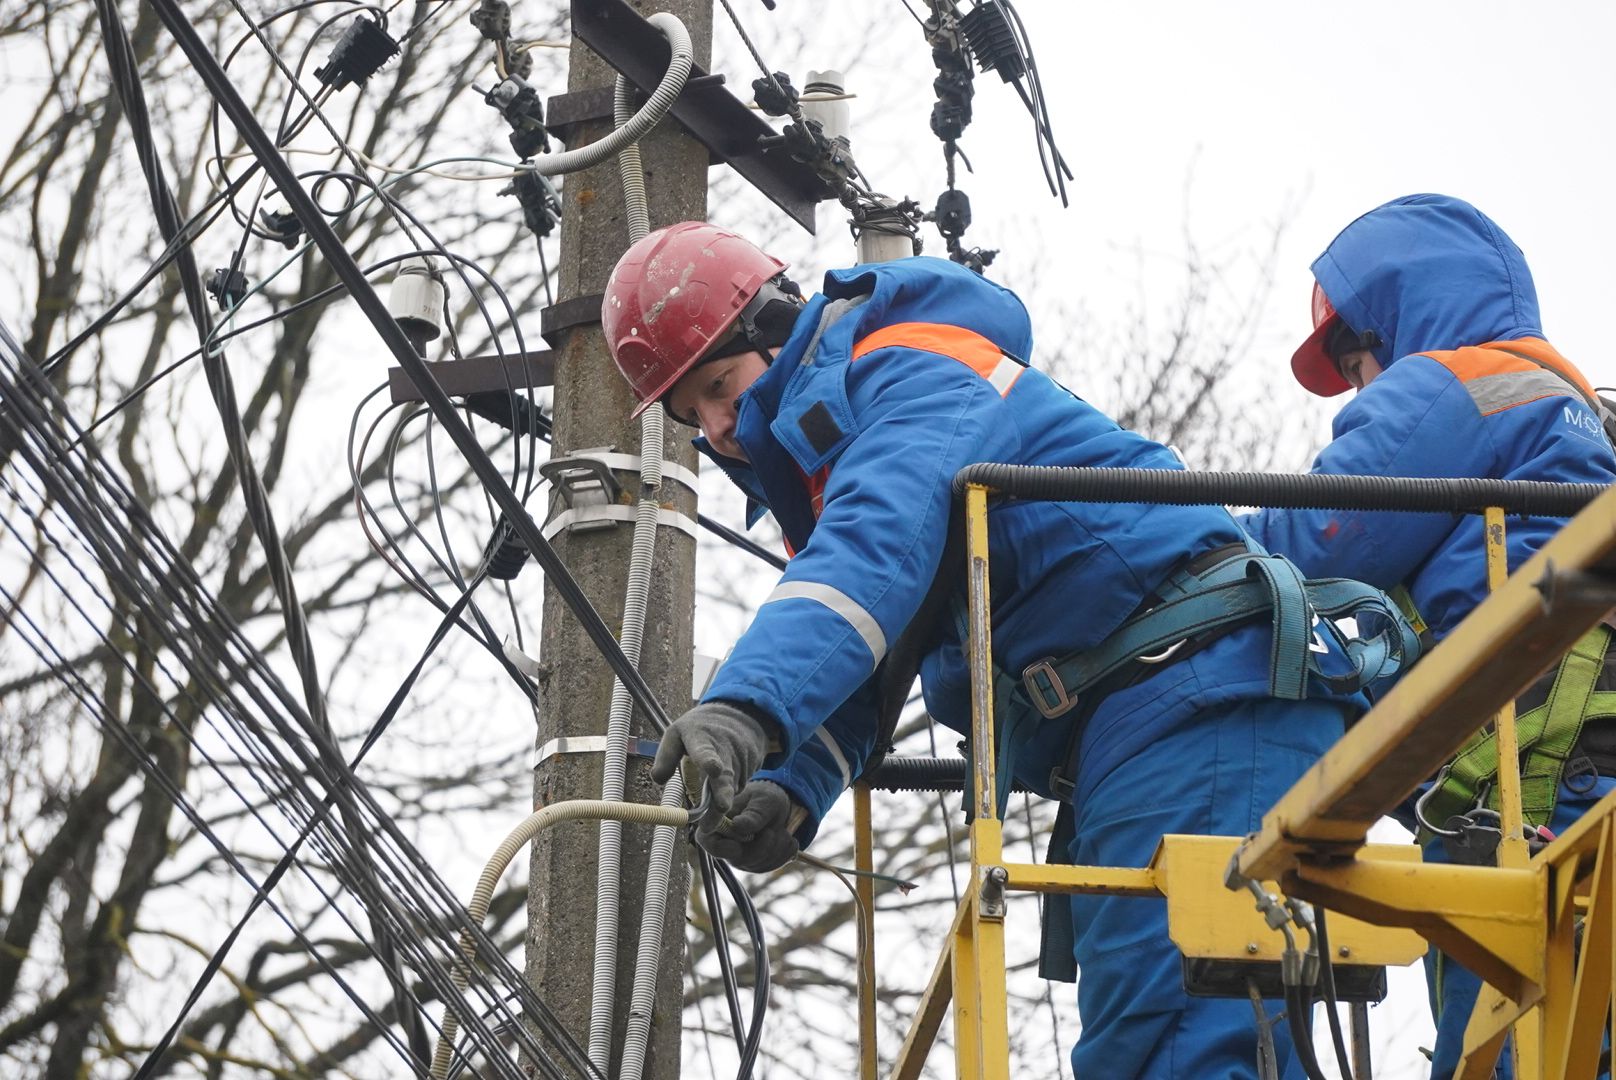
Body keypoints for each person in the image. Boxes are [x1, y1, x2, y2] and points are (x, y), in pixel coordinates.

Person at [601, 221, 1413, 1078]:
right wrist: (789, 787)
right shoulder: (867, 440)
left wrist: (744, 706)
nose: (720, 427)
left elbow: (871, 554)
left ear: (775, 329)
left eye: (722, 387)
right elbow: (878, 644)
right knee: (1152, 1046)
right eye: (693, 414)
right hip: (1154, 724)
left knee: (1178, 1047)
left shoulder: (911, 370)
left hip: (1199, 697)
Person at [1242, 193, 1616, 1080]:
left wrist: (1195, 554)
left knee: (1504, 1046)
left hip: (1529, 790)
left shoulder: (1457, 383)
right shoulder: (1576, 411)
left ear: (1396, 313)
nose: (1360, 380)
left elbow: (1321, 532)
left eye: (1351, 353)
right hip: (1572, 778)